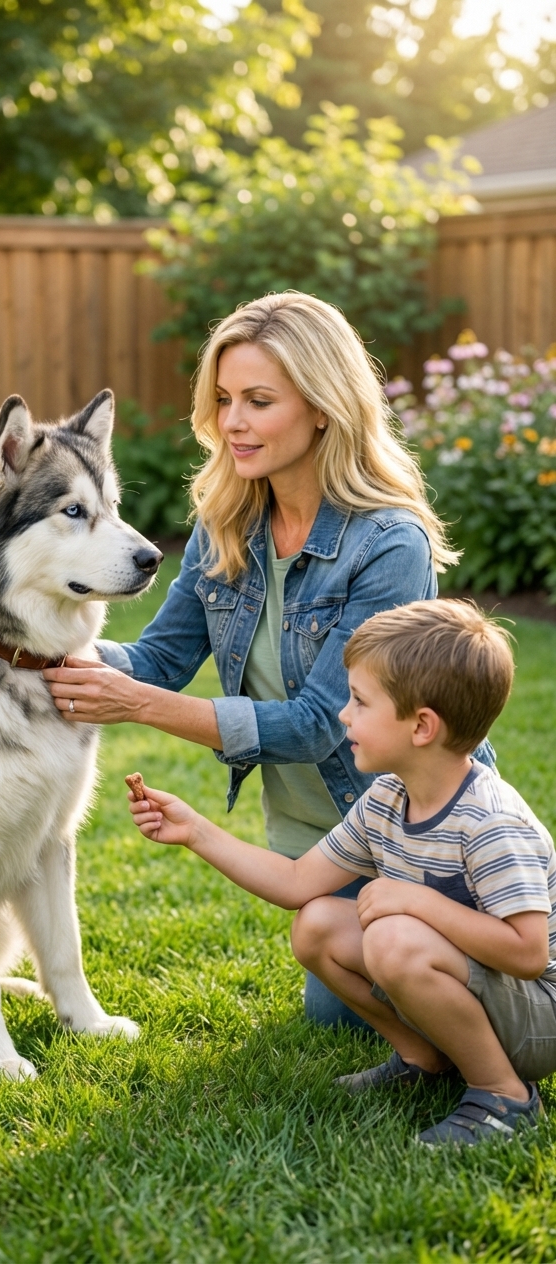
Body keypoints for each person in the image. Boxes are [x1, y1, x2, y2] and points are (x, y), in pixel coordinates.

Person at [44, 291, 495, 1025]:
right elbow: (156, 658)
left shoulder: (388, 544)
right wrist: (30, 646)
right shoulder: (225, 522)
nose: (232, 423)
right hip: (324, 845)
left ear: (322, 406)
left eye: (258, 400)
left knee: (420, 1003)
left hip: (424, 837)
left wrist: (138, 707)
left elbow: (321, 723)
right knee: (337, 1016)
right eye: (222, 399)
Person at [128, 599, 554, 1146]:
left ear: (422, 726)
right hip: (481, 989)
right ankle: (423, 1059)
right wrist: (195, 830)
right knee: (319, 924)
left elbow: (528, 954)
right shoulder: (388, 796)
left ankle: (505, 1095)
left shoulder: (489, 819)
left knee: (395, 938)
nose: (343, 714)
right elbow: (296, 883)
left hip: (541, 1015)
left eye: (359, 701)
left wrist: (415, 901)